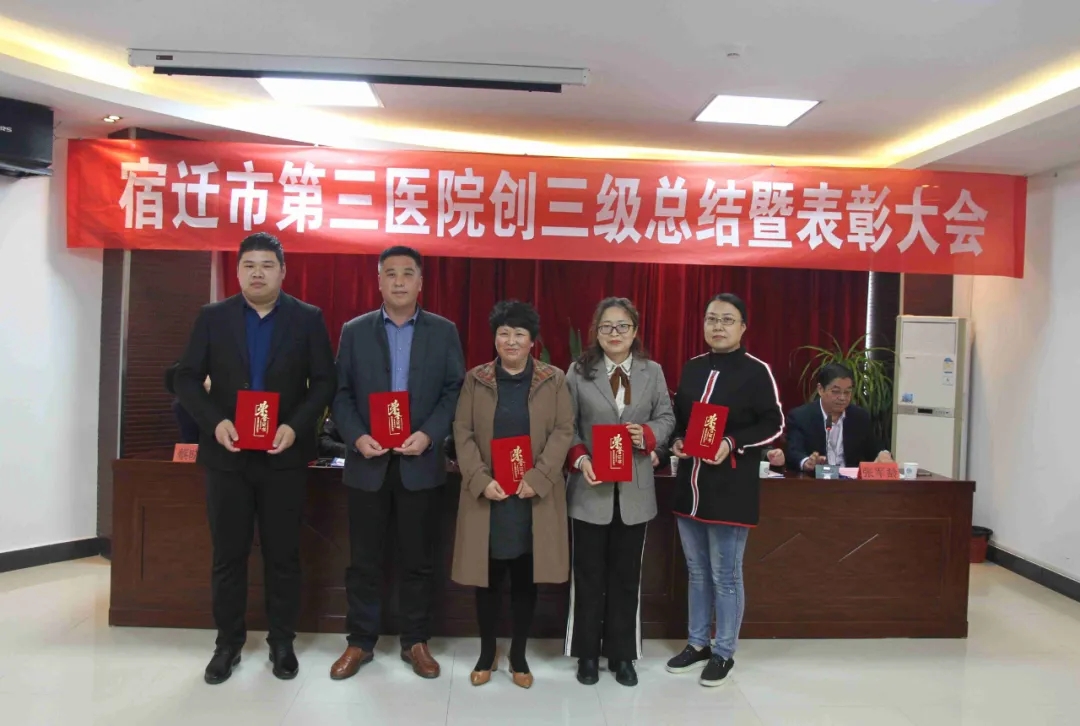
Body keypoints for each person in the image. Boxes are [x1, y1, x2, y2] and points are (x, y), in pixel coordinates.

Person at [174, 232, 336, 685]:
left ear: (283, 271)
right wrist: (214, 423)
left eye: (267, 265)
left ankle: (282, 642)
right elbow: (186, 378)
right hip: (228, 456)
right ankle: (227, 644)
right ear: (238, 271)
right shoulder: (213, 317)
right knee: (228, 554)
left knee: (284, 554)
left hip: (283, 455)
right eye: (249, 265)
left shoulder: (307, 318)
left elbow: (325, 381)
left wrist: (296, 426)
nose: (258, 273)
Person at [330, 246, 465, 681]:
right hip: (367, 462)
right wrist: (357, 436)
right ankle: (360, 641)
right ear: (379, 281)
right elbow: (340, 393)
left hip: (419, 462)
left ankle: (416, 641)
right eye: (391, 273)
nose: (400, 281)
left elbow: (454, 390)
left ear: (421, 282)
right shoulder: (355, 331)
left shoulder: (443, 331)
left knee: (418, 560)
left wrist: (429, 434)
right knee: (363, 560)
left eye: (408, 273)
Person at [451, 300, 573, 689]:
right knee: (486, 578)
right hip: (489, 496)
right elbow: (462, 431)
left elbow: (564, 430)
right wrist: (479, 478)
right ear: (495, 338)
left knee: (525, 578)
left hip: (532, 497)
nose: (511, 341)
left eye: (520, 334)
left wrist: (539, 476)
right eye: (504, 333)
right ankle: (487, 652)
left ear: (532, 341)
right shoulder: (476, 379)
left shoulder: (554, 379)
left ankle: (518, 654)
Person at [666, 293, 784, 687]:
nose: (718, 326)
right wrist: (677, 440)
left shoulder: (756, 371)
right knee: (697, 572)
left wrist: (731, 442)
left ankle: (724, 651)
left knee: (725, 575)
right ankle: (697, 643)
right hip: (690, 487)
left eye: (727, 320)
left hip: (730, 488)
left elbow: (774, 423)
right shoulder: (693, 367)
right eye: (711, 319)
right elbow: (680, 419)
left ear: (743, 327)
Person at [562, 298, 674, 687]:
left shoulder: (652, 371)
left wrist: (648, 435)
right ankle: (586, 655)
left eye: (622, 326)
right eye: (607, 326)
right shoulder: (578, 372)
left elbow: (667, 417)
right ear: (596, 332)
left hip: (635, 491)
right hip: (589, 489)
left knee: (627, 578)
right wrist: (580, 460)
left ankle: (623, 655)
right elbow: (565, 425)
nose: (615, 333)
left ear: (635, 331)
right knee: (587, 577)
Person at [786, 362, 892, 472]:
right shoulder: (801, 417)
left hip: (850, 480)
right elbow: (793, 452)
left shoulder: (859, 417)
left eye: (847, 392)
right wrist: (807, 462)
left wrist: (883, 454)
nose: (842, 398)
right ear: (820, 389)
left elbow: (876, 449)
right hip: (816, 479)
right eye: (836, 392)